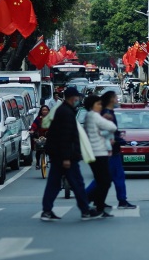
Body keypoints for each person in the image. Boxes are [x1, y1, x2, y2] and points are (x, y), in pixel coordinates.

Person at [40, 87, 102, 221]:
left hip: (58, 154)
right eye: (77, 97)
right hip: (65, 156)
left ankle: (47, 211)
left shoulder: (64, 110)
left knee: (55, 184)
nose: (78, 99)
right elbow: (65, 137)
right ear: (72, 98)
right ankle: (85, 210)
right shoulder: (66, 113)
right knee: (77, 183)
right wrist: (67, 157)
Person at [86, 91, 137, 209]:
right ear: (110, 100)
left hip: (112, 150)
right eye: (115, 98)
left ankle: (104, 200)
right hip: (108, 151)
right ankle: (87, 197)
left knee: (111, 177)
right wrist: (119, 140)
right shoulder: (106, 113)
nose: (117, 100)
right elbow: (106, 132)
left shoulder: (109, 112)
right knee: (105, 178)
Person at [83, 95, 117, 217]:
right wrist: (107, 120)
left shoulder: (88, 116)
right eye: (98, 104)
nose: (100, 106)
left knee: (101, 180)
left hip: (94, 152)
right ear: (92, 105)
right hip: (99, 153)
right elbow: (112, 127)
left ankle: (95, 204)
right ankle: (94, 204)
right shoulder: (94, 116)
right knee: (105, 181)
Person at [29, 105, 50, 170]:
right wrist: (32, 130)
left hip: (49, 136)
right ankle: (38, 163)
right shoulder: (38, 119)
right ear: (41, 111)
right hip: (39, 136)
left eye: (46, 110)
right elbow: (34, 125)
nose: (44, 111)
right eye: (43, 110)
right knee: (38, 150)